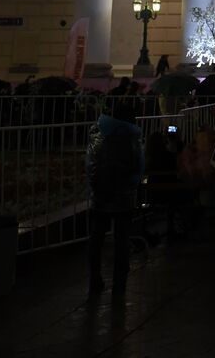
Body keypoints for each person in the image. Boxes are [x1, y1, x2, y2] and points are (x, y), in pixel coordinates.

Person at [86, 98, 144, 295]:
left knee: (97, 237)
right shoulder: (132, 136)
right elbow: (139, 166)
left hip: (100, 194)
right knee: (121, 239)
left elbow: (89, 164)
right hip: (124, 196)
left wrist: (95, 185)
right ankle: (120, 281)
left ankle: (95, 276)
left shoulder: (97, 133)